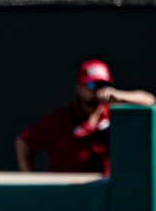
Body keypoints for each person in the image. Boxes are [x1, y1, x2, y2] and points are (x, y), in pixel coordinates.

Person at [16, 59, 155, 174]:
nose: (97, 89)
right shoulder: (60, 120)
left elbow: (149, 101)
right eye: (91, 84)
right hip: (65, 194)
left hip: (100, 194)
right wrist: (30, 182)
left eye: (102, 84)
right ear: (78, 87)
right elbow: (23, 142)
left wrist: (119, 96)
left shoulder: (114, 114)